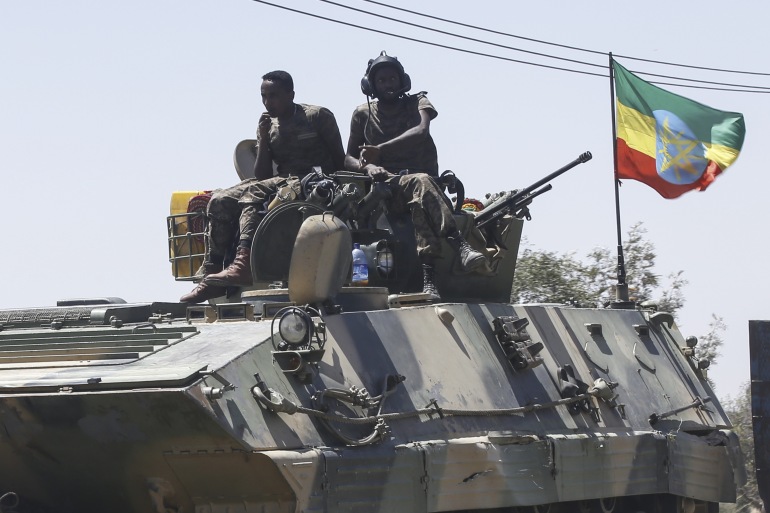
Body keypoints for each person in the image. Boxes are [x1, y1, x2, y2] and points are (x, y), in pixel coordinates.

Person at [181, 70, 345, 303]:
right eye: (264, 96)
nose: (268, 102)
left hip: (315, 178)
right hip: (282, 178)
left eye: (274, 95)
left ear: (291, 94)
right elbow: (262, 174)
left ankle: (243, 262)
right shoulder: (269, 124)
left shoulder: (316, 116)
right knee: (219, 200)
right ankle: (211, 271)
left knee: (253, 194)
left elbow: (339, 159)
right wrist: (263, 139)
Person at [344, 51, 485, 300]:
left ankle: (429, 282)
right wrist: (368, 167)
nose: (388, 85)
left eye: (392, 79)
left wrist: (380, 149)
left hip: (424, 187)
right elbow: (348, 157)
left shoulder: (417, 103)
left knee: (419, 202)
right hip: (388, 189)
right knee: (420, 184)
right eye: (381, 80)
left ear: (402, 81)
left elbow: (421, 131)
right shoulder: (362, 115)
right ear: (371, 86)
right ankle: (459, 245)